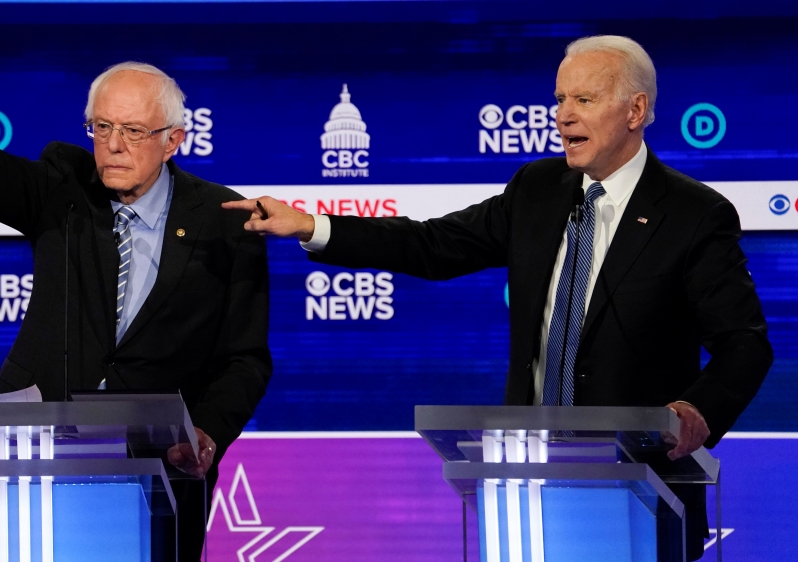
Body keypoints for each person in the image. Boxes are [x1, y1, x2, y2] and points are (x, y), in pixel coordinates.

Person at [224, 35, 772, 560]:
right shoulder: (537, 190)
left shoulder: (693, 214)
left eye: (584, 99)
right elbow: (433, 244)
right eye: (559, 99)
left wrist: (697, 411)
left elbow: (744, 345)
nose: (563, 114)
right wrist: (312, 227)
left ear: (635, 110)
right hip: (528, 483)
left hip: (644, 491)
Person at [0, 44, 272, 560]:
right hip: (39, 452)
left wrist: (208, 431)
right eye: (102, 128)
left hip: (164, 465)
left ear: (173, 142)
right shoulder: (66, 188)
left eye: (133, 131)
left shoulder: (225, 221)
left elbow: (244, 358)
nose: (114, 145)